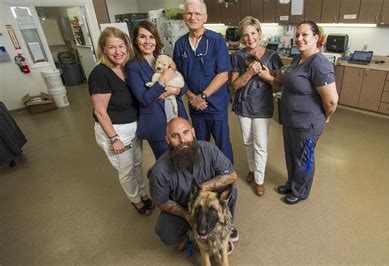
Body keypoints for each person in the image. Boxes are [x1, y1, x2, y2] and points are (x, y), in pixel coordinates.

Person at [88, 27, 153, 215]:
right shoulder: (100, 73)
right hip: (116, 130)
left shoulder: (124, 68)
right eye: (112, 47)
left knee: (138, 163)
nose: (118, 52)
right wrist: (114, 138)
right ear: (103, 49)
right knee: (126, 170)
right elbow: (100, 111)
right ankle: (136, 200)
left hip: (133, 128)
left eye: (121, 46)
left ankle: (142, 193)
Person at [149, 117, 239, 249]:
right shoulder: (160, 170)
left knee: (232, 189)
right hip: (183, 206)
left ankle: (225, 223)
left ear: (193, 132)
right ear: (167, 139)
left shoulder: (208, 149)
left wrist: (201, 188)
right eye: (175, 136)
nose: (183, 140)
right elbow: (161, 202)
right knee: (166, 234)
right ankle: (190, 232)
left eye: (186, 133)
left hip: (210, 201)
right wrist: (187, 215)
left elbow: (231, 176)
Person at [277, 21, 338, 205]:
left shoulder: (319, 64)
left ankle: (300, 191)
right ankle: (291, 183)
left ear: (316, 38)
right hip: (290, 120)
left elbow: (332, 100)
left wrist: (326, 116)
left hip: (307, 123)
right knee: (290, 154)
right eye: (297, 35)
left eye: (304, 35)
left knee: (303, 157)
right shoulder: (299, 59)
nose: (299, 39)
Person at [173, 0, 234, 163]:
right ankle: (206, 175)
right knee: (200, 144)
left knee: (222, 143)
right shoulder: (180, 44)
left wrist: (203, 96)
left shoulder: (216, 41)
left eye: (197, 13)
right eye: (189, 13)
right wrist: (193, 97)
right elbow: (177, 76)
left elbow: (223, 75)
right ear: (184, 17)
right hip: (195, 106)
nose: (193, 17)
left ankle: (227, 177)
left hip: (216, 105)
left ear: (205, 17)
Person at [230, 16, 283, 197]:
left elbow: (278, 84)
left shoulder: (272, 56)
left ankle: (259, 180)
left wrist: (266, 77)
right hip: (243, 105)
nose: (249, 38)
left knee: (260, 144)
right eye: (245, 35)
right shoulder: (237, 56)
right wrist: (250, 72)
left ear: (259, 33)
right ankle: (252, 169)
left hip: (263, 106)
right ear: (241, 37)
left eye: (253, 33)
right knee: (247, 141)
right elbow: (235, 85)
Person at [126, 20, 188, 160]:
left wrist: (174, 90)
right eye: (142, 37)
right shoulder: (133, 66)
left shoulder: (163, 58)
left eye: (151, 37)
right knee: (166, 162)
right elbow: (144, 99)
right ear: (135, 40)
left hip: (176, 117)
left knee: (184, 158)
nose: (148, 41)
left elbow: (184, 86)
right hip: (157, 122)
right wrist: (162, 80)